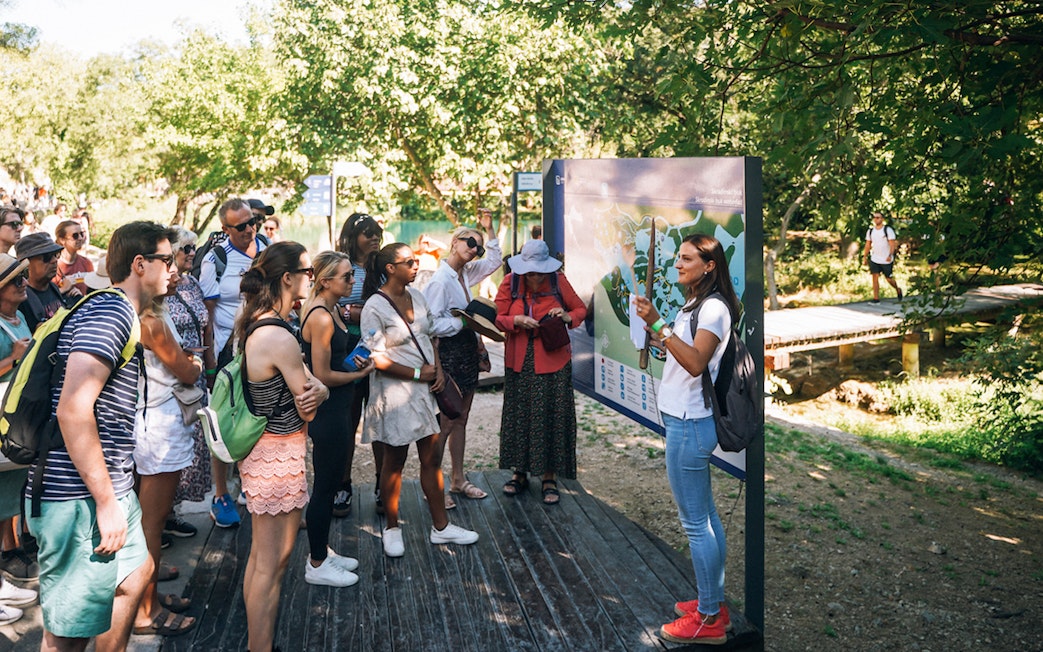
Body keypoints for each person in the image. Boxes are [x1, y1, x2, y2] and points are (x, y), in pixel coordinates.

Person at [25, 221, 177, 652]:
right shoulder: (109, 312)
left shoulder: (123, 313)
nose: (175, 270)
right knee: (68, 636)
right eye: (166, 260)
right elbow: (73, 410)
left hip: (110, 485)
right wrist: (106, 502)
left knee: (136, 573)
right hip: (75, 495)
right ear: (140, 263)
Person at [633, 233, 740, 646]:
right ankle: (713, 603)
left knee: (696, 524)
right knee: (707, 518)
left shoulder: (713, 308)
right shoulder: (696, 303)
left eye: (687, 259)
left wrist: (657, 322)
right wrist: (660, 335)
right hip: (684, 419)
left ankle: (709, 619)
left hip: (691, 422)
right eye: (677, 257)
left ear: (709, 265)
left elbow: (696, 363)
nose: (678, 264)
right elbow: (685, 354)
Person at [236, 241, 329, 652]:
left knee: (263, 558)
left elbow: (313, 386)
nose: (313, 277)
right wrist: (319, 392)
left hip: (267, 452)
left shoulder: (259, 321)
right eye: (308, 271)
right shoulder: (279, 335)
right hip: (276, 454)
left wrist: (318, 389)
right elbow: (308, 404)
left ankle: (261, 643)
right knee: (271, 563)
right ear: (288, 277)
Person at [361, 243, 479, 557]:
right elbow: (377, 358)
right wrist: (417, 374)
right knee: (395, 462)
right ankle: (392, 527)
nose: (416, 266)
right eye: (409, 262)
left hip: (426, 390)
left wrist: (438, 370)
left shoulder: (418, 295)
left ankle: (441, 527)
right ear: (390, 268)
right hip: (396, 393)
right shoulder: (375, 306)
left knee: (431, 459)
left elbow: (429, 337)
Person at [131, 265, 203, 637]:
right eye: (167, 265)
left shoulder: (154, 314)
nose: (175, 272)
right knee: (151, 525)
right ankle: (146, 611)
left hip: (160, 421)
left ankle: (150, 594)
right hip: (158, 425)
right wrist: (196, 363)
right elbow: (186, 373)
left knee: (152, 523)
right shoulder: (150, 321)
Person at [300, 251, 373, 586]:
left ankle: (323, 550)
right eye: (346, 276)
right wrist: (361, 374)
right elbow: (322, 376)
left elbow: (335, 364)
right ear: (325, 280)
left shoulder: (329, 308)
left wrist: (352, 364)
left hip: (340, 406)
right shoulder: (322, 316)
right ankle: (316, 562)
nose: (352, 281)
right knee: (326, 486)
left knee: (329, 484)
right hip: (329, 410)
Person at [494, 239, 586, 505]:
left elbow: (579, 309)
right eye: (529, 271)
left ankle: (549, 476)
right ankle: (519, 473)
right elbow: (496, 316)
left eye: (538, 271)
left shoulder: (558, 281)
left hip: (554, 361)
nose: (533, 276)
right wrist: (515, 321)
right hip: (519, 361)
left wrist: (567, 316)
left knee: (551, 416)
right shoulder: (511, 282)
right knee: (519, 415)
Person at [422, 209, 502, 508]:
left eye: (477, 246)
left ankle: (457, 478)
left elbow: (494, 261)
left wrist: (489, 230)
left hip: (467, 350)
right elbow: (429, 324)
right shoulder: (440, 281)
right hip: (450, 352)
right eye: (470, 242)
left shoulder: (465, 274)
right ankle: (435, 486)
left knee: (462, 419)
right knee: (445, 422)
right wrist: (463, 323)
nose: (474, 249)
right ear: (454, 242)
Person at [200, 198, 267, 528]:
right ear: (225, 229)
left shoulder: (267, 249)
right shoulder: (216, 261)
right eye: (240, 225)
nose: (249, 229)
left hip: (262, 344)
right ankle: (220, 494)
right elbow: (208, 319)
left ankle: (248, 484)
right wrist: (212, 365)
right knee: (224, 415)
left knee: (258, 413)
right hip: (229, 347)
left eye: (252, 221)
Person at [333, 212, 383, 515]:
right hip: (348, 347)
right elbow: (328, 304)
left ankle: (382, 484)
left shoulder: (384, 267)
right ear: (353, 237)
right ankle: (342, 484)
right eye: (368, 233)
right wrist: (346, 315)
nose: (375, 238)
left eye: (377, 232)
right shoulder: (341, 266)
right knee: (347, 419)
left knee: (379, 418)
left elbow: (393, 303)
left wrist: (361, 313)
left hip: (379, 347)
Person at [165, 227, 213, 537]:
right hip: (174, 375)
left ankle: (171, 511)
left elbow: (205, 324)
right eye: (186, 249)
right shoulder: (160, 290)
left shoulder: (193, 283)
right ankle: (161, 515)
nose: (192, 253)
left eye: (193, 248)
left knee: (194, 444)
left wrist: (209, 364)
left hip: (197, 372)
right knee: (174, 443)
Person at [0, 254, 39, 625]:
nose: (24, 283)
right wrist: (13, 359)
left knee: (8, 497)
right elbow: (17, 358)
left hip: (12, 423)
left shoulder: (21, 316)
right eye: (16, 280)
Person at [15, 232, 69, 333]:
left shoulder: (53, 287)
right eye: (46, 257)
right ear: (26, 264)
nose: (54, 260)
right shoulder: (21, 298)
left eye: (55, 255)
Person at [863, 212, 902, 303]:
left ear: (882, 219)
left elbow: (892, 244)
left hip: (886, 259)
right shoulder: (870, 231)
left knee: (889, 278)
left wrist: (890, 255)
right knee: (875, 277)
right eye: (874, 217)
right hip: (875, 258)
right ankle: (876, 298)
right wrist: (865, 256)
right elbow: (868, 245)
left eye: (878, 217)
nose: (876, 219)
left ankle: (897, 289)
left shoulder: (888, 230)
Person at [54, 219, 94, 297]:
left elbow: (92, 291)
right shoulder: (53, 266)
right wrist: (63, 290)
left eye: (82, 234)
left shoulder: (86, 263)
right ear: (62, 240)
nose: (80, 238)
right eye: (75, 235)